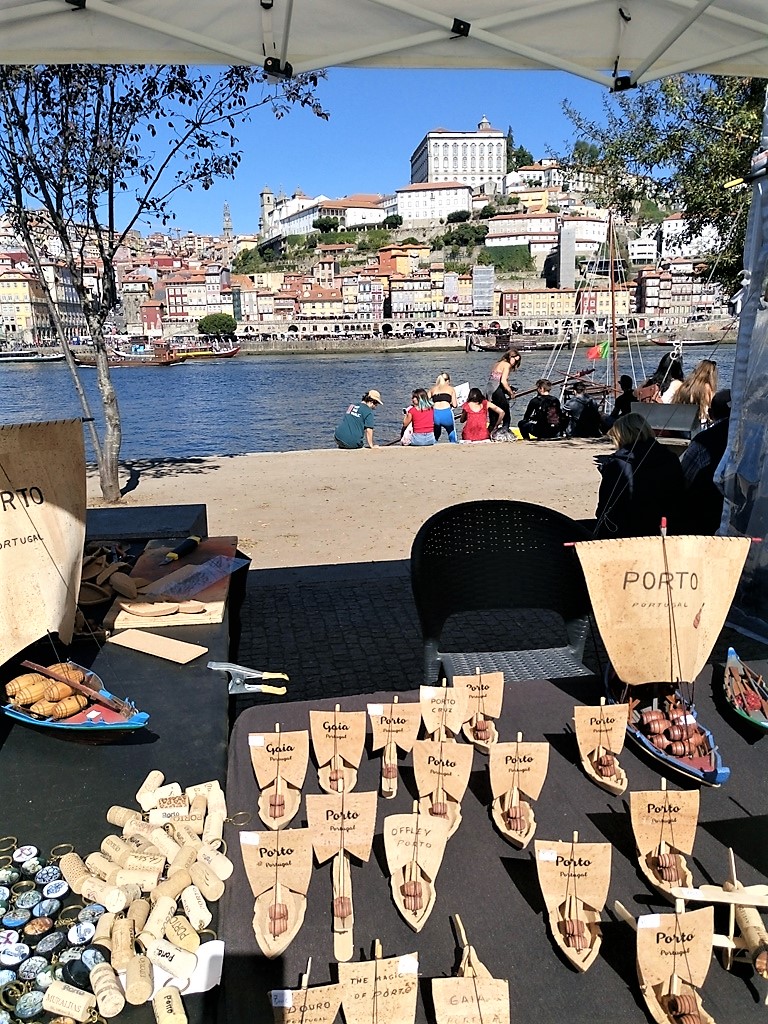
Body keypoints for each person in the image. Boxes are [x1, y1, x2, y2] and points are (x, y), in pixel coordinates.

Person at [594, 412, 687, 538]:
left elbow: (604, 507)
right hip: (666, 529)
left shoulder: (616, 464)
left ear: (621, 436)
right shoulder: (671, 458)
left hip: (624, 531)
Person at [680, 388, 731, 533]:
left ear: (710, 413)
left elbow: (684, 479)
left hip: (705, 519)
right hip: (743, 518)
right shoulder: (753, 437)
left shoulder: (704, 441)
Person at [672, 358, 718, 425]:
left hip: (683, 422)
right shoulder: (707, 387)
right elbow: (712, 405)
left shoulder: (685, 385)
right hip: (700, 423)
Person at [485, 348, 521, 432]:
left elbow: (495, 380)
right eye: (515, 360)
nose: (515, 363)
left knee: (493, 417)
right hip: (497, 391)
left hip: (489, 391)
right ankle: (504, 432)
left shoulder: (497, 364)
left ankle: (489, 433)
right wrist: (511, 393)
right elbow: (503, 381)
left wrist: (508, 389)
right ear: (510, 357)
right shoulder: (506, 365)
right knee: (506, 415)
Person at [428, 371, 458, 443]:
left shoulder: (433, 389)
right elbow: (455, 405)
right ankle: (453, 444)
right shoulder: (451, 389)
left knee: (436, 433)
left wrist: (432, 405)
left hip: (436, 413)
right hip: (446, 413)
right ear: (447, 381)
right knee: (451, 431)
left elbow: (424, 401)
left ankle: (434, 443)